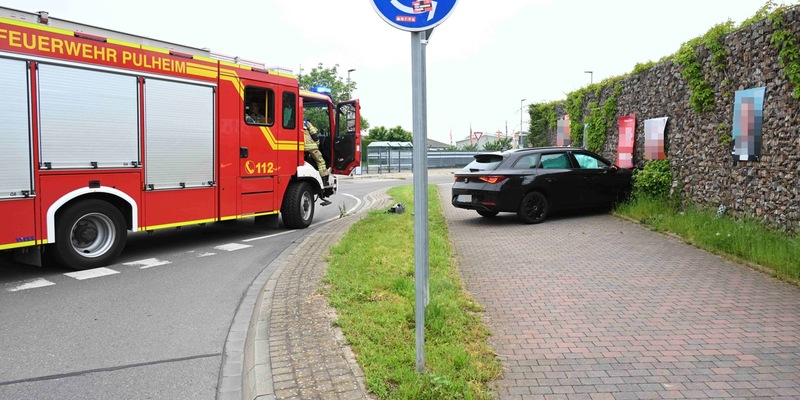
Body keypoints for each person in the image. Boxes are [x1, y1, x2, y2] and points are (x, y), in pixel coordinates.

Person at [304, 120, 329, 186]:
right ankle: (324, 180)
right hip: (310, 146)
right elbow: (314, 134)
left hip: (297, 146)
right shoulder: (306, 123)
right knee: (321, 162)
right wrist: (317, 143)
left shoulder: (293, 120)